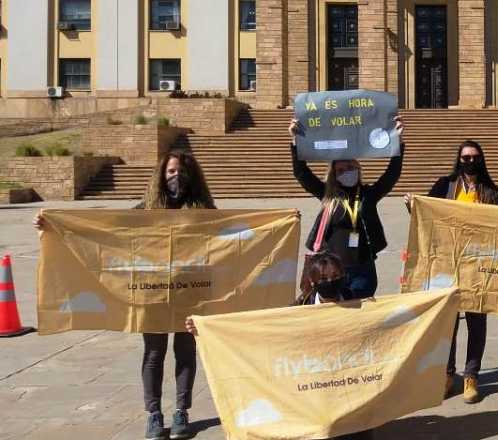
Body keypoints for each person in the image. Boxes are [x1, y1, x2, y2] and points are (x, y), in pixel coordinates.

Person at [35, 150, 215, 440]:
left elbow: (232, 235)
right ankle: (154, 414)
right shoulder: (145, 209)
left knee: (185, 351)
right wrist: (53, 224)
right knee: (154, 353)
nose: (176, 177)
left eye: (181, 171)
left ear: (192, 175)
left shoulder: (204, 208)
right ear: (161, 175)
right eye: (170, 172)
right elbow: (107, 229)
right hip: (152, 291)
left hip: (189, 291)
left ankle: (182, 410)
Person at [186, 252, 372, 440]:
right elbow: (261, 330)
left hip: (347, 379)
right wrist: (204, 328)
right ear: (314, 282)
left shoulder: (359, 304)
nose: (331, 282)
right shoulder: (299, 309)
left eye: (336, 277)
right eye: (324, 278)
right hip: (314, 381)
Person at [406, 139, 498, 404]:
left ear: (481, 160)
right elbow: (426, 212)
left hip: (479, 265)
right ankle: (448, 374)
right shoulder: (445, 185)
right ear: (458, 159)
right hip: (448, 264)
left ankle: (471, 375)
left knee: (476, 322)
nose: (470, 161)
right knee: (448, 322)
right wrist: (412, 204)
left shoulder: (492, 191)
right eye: (465, 157)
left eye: (474, 157)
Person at [288, 117, 404, 299]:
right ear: (334, 175)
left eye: (350, 167)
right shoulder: (329, 196)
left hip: (362, 270)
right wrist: (295, 141)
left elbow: (392, 175)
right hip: (331, 272)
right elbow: (302, 174)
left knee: (358, 314)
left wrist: (397, 140)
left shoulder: (368, 195)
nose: (346, 172)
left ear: (358, 168)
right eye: (341, 170)